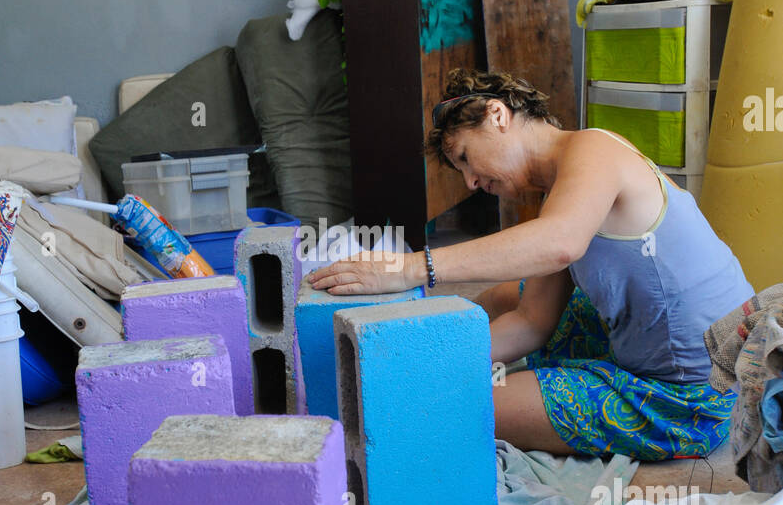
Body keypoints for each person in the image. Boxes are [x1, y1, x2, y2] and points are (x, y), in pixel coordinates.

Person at [307, 68, 753, 460]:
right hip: (656, 343)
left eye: (465, 158)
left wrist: (410, 268)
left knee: (458, 402)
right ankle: (435, 350)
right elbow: (532, 321)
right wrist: (429, 356)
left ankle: (460, 384)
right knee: (509, 297)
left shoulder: (593, 149)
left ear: (497, 115)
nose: (471, 182)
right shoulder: (557, 194)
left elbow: (559, 243)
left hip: (697, 393)